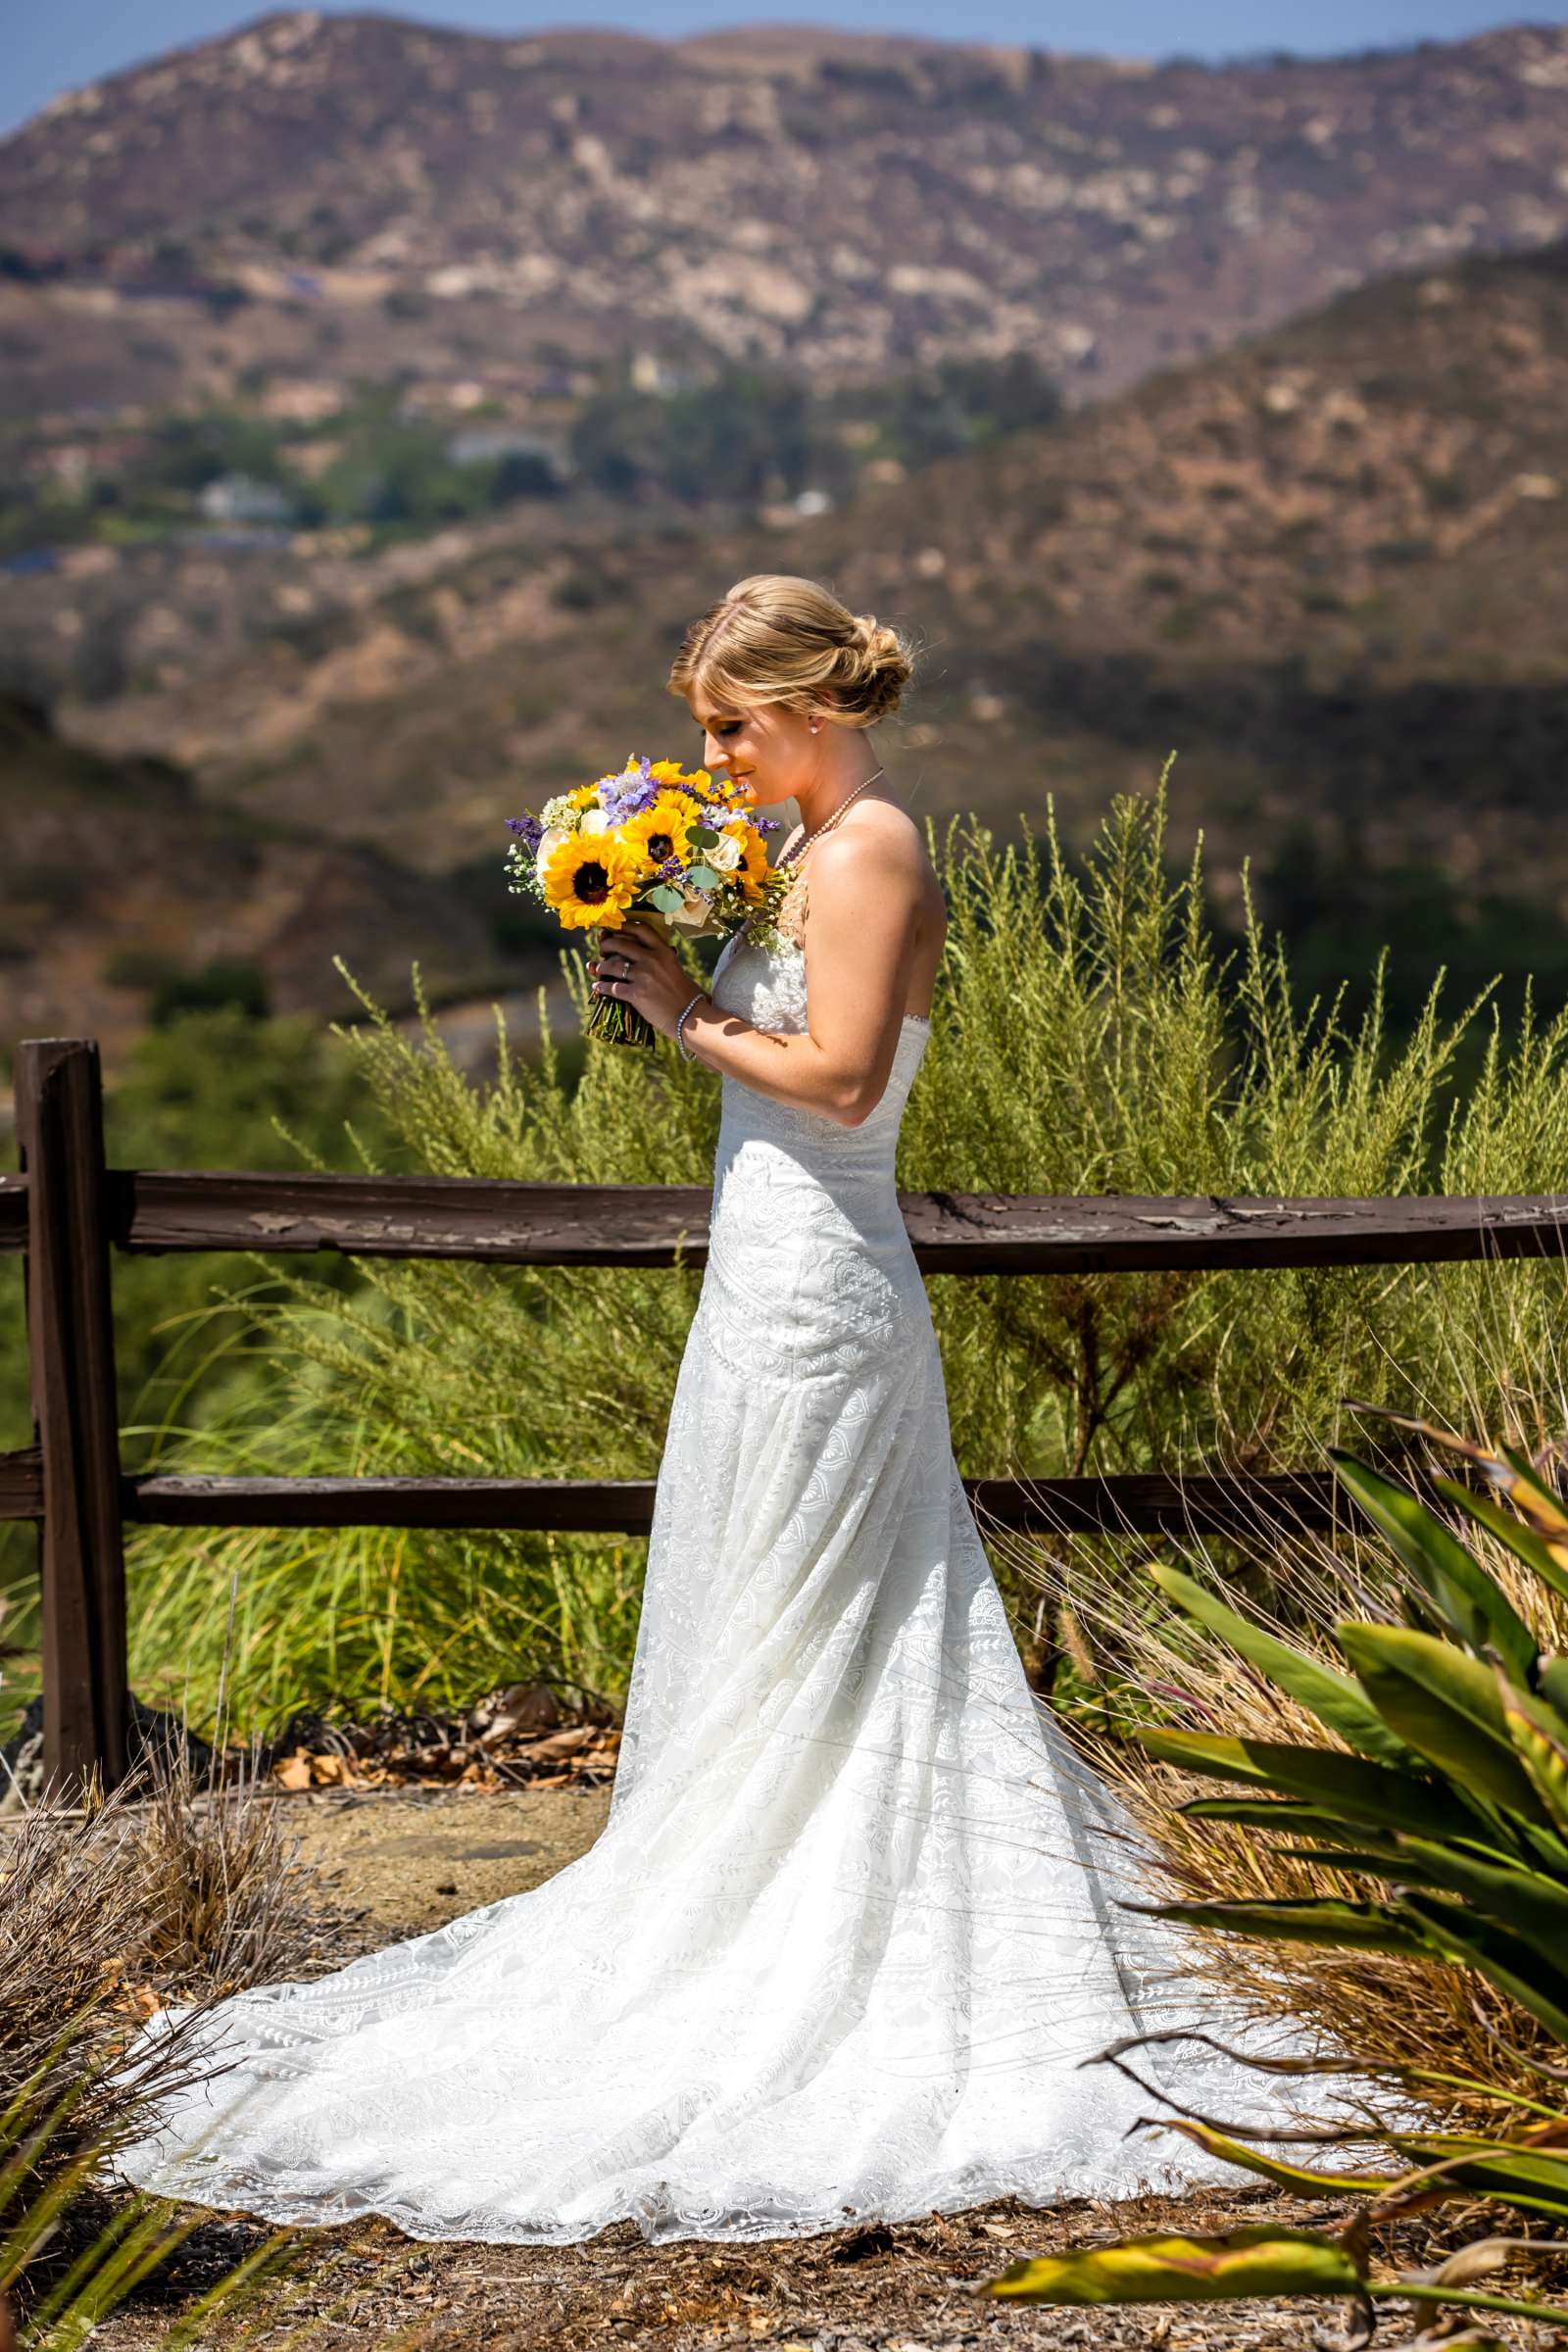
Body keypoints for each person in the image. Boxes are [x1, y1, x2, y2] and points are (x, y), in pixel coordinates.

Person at [110, 573, 1357, 2246]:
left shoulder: (871, 849)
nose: (711, 754)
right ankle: (769, 1877)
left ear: (814, 708)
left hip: (825, 1279)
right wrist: (672, 958)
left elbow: (842, 1078)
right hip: (766, 1270)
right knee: (776, 1610)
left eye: (729, 727)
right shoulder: (799, 854)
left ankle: (810, 1928)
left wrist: (687, 1015)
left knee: (841, 1612)